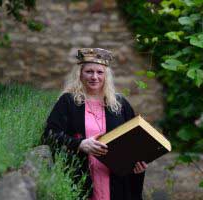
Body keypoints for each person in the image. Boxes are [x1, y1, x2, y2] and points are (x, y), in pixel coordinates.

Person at [42, 48, 147, 200]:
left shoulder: (120, 105)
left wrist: (138, 163)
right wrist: (79, 144)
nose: (94, 77)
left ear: (106, 76)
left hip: (116, 181)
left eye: (100, 72)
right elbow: (49, 135)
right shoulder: (68, 102)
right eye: (89, 71)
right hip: (81, 179)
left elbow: (134, 141)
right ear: (80, 74)